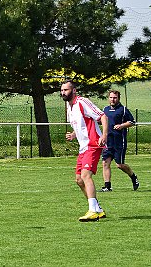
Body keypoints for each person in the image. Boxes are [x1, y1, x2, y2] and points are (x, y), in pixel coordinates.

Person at [60, 80, 108, 222]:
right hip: (83, 147)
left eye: (66, 90)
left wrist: (104, 135)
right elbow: (81, 125)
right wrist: (74, 135)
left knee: (86, 175)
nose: (63, 93)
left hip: (93, 144)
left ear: (74, 90)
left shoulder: (82, 102)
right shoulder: (69, 107)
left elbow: (102, 116)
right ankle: (97, 208)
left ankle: (93, 210)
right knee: (79, 180)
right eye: (62, 90)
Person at [101, 90, 139, 192]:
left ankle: (133, 177)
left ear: (118, 98)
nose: (113, 99)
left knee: (120, 165)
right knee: (105, 163)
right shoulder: (105, 109)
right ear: (108, 98)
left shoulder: (123, 110)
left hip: (119, 141)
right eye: (111, 97)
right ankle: (107, 186)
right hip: (108, 141)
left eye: (115, 98)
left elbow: (132, 122)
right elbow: (101, 120)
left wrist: (121, 125)